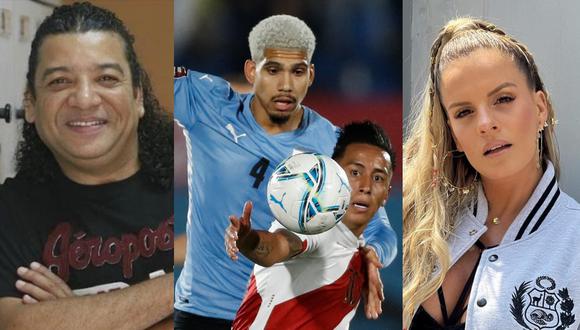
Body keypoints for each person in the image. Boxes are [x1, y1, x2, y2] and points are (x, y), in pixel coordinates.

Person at [174, 14, 397, 329]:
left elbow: (380, 229)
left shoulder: (333, 147)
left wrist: (372, 254)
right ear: (252, 71)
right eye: (273, 70)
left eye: (298, 72)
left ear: (311, 75)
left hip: (280, 316)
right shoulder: (208, 103)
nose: (286, 85)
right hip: (200, 313)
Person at [0, 3, 173, 329]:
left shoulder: (196, 178)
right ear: (31, 105)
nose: (84, 98)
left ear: (138, 98)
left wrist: (79, 316)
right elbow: (16, 324)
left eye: (106, 78)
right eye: (59, 81)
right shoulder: (9, 211)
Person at [403, 17, 580, 329]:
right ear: (454, 134)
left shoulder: (573, 241)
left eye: (503, 99)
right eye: (464, 112)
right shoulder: (421, 228)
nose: (485, 123)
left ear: (541, 108)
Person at [226, 121, 395, 329]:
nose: (366, 187)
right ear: (335, 173)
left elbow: (388, 239)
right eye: (355, 173)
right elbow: (276, 246)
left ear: (387, 193)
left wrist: (370, 256)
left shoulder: (357, 251)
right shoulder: (313, 226)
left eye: (378, 178)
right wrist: (249, 240)